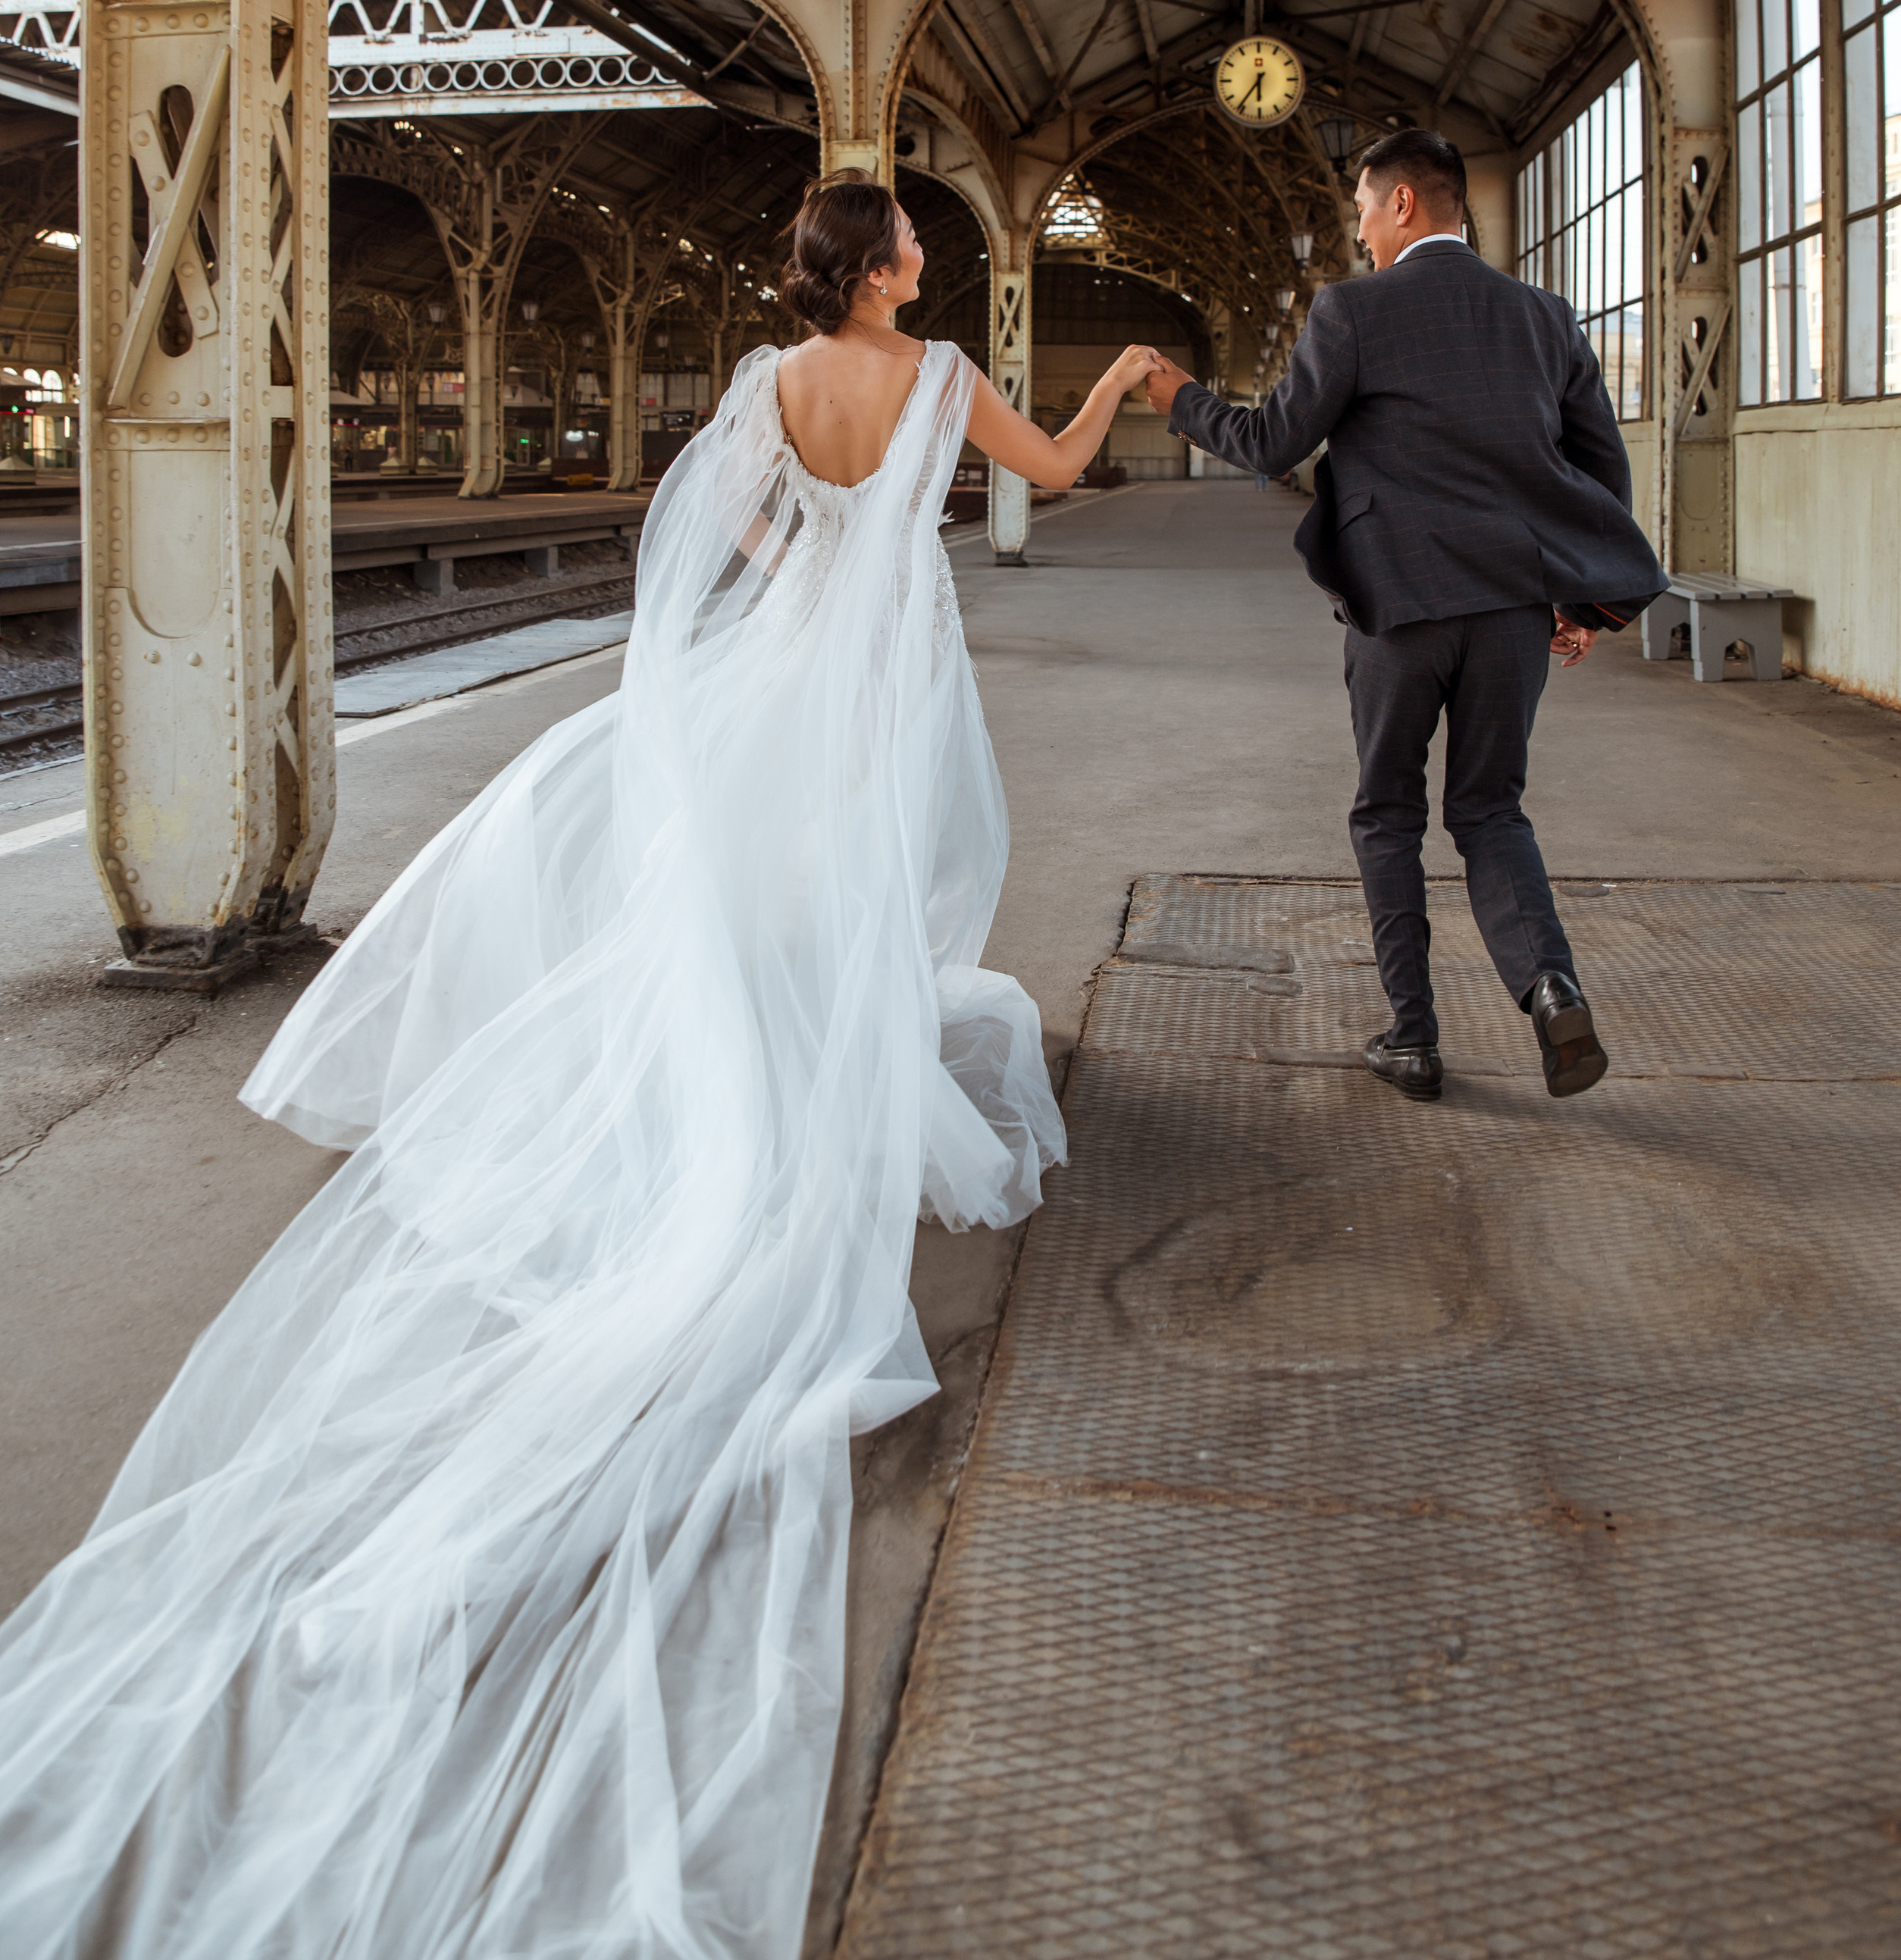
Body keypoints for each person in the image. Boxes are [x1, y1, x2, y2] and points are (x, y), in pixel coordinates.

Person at [0, 174, 1158, 1960]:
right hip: (886, 678)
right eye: (911, 242)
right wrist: (1119, 383)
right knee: (857, 892)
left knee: (765, 896)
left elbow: (720, 520)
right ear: (881, 269)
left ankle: (753, 1079)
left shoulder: (774, 381)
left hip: (792, 657)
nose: (927, 256)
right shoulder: (936, 379)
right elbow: (1060, 472)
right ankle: (815, 1091)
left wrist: (805, 560)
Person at [1144, 127, 1668, 1107]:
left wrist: (1184, 400)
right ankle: (1551, 987)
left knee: (1388, 811)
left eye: (1362, 212)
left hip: (1400, 608)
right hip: (1512, 611)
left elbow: (1274, 441)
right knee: (1490, 810)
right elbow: (1602, 468)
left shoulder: (1353, 310)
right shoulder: (1545, 316)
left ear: (1402, 204)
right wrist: (1579, 599)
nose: (1359, 234)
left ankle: (1414, 1038)